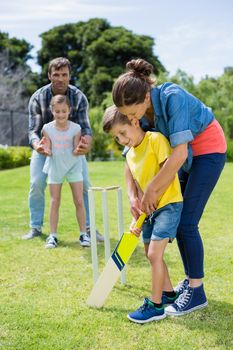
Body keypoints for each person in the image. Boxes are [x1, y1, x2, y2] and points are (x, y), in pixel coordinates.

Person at [112, 58, 227, 316]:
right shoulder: (139, 114)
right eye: (127, 116)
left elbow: (178, 155)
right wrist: (134, 195)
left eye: (132, 114)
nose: (131, 120)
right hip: (184, 159)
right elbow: (129, 157)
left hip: (207, 150)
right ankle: (189, 282)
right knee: (182, 223)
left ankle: (197, 290)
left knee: (186, 221)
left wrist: (152, 189)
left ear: (145, 96)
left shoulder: (172, 96)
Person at [103, 105, 183, 323]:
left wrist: (154, 198)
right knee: (150, 252)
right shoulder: (130, 154)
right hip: (148, 210)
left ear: (134, 121)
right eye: (116, 137)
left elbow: (168, 172)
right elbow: (139, 186)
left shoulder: (155, 140)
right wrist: (136, 215)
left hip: (168, 204)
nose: (121, 139)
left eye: (123, 132)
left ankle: (156, 306)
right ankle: (168, 294)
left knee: (154, 255)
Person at [22, 57, 104, 242]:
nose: (60, 78)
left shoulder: (79, 97)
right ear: (49, 75)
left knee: (85, 186)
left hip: (72, 150)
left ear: (69, 76)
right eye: (56, 74)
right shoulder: (38, 97)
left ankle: (89, 229)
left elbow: (86, 128)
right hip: (46, 150)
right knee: (36, 184)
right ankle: (35, 227)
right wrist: (38, 145)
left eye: (64, 75)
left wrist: (86, 142)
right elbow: (33, 131)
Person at [41, 95, 89, 248]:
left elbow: (76, 151)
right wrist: (45, 149)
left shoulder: (76, 128)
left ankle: (83, 234)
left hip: (74, 166)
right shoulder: (47, 129)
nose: (60, 115)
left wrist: (80, 146)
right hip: (55, 167)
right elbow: (47, 148)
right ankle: (52, 236)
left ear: (69, 110)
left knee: (79, 201)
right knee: (55, 202)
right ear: (52, 111)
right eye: (57, 111)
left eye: (63, 111)